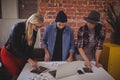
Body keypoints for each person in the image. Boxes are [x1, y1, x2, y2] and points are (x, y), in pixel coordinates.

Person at [0, 13, 44, 79]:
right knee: (16, 74)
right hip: (8, 54)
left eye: (40, 26)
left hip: (20, 55)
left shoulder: (34, 29)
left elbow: (30, 47)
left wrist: (32, 59)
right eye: (37, 26)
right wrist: (29, 60)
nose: (38, 29)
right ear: (31, 23)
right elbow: (15, 48)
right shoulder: (17, 27)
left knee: (22, 72)